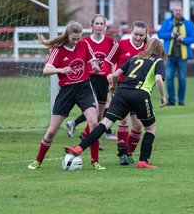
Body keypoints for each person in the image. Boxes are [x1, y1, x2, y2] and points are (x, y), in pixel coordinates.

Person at [64, 38, 167, 169]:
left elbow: (116, 74)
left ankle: (79, 148)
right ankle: (143, 161)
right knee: (150, 129)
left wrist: (113, 87)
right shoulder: (158, 61)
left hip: (122, 93)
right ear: (160, 50)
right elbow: (158, 79)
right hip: (140, 95)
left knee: (105, 124)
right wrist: (163, 97)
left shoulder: (135, 58)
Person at [27, 20, 105, 171]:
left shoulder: (84, 45)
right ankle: (38, 161)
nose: (76, 41)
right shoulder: (58, 49)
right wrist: (61, 70)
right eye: (73, 38)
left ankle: (95, 161)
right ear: (68, 35)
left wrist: (95, 67)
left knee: (94, 123)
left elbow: (93, 63)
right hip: (66, 91)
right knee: (51, 132)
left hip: (84, 88)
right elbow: (46, 70)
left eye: (78, 38)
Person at [66, 14, 117, 141]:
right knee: (93, 110)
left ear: (105, 26)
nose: (99, 26)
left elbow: (112, 60)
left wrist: (112, 75)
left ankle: (82, 132)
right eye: (97, 23)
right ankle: (93, 139)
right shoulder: (84, 41)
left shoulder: (109, 41)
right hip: (90, 78)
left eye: (101, 24)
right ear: (92, 26)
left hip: (104, 80)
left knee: (99, 114)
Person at [105, 21, 148, 165]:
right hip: (121, 88)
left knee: (138, 126)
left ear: (145, 34)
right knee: (123, 120)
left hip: (138, 91)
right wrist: (109, 76)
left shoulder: (148, 50)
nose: (138, 37)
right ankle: (122, 154)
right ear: (131, 31)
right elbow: (108, 61)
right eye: (135, 34)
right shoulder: (121, 44)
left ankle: (129, 153)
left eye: (141, 35)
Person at [157, 4, 194, 106]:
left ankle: (181, 100)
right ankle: (171, 100)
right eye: (176, 10)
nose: (177, 12)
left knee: (182, 78)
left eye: (179, 10)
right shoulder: (167, 22)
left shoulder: (188, 24)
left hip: (182, 56)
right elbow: (160, 34)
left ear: (182, 11)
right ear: (173, 12)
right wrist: (170, 35)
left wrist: (184, 39)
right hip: (169, 55)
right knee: (169, 77)